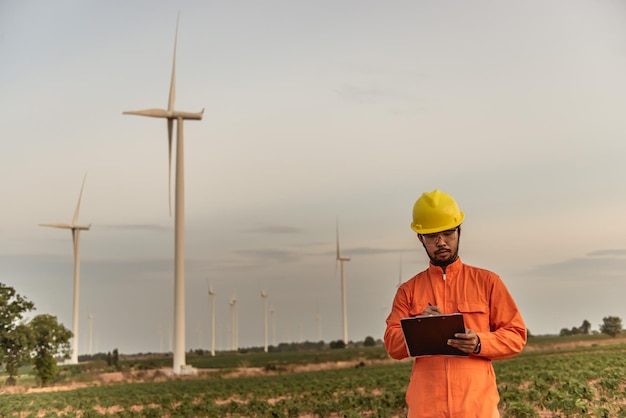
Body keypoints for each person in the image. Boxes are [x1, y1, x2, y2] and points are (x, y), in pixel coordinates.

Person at [384, 189, 526, 418]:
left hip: (477, 409)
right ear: (420, 238)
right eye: (432, 236)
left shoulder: (488, 282)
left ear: (459, 231)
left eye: (448, 233)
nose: (441, 242)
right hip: (426, 409)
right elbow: (392, 344)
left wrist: (480, 342)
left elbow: (516, 335)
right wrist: (418, 326)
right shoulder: (407, 291)